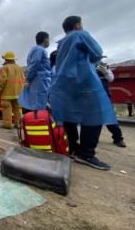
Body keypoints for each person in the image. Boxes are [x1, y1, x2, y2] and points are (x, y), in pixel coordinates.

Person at [49, 16, 117, 170]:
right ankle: (86, 153)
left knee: (68, 115)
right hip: (83, 81)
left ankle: (73, 148)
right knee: (94, 115)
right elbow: (97, 53)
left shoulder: (61, 43)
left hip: (64, 84)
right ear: (78, 25)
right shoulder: (80, 34)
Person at [19, 31, 51, 111]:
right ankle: (40, 121)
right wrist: (28, 78)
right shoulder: (39, 50)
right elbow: (35, 64)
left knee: (38, 103)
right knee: (40, 104)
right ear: (45, 39)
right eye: (48, 39)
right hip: (40, 80)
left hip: (39, 80)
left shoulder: (36, 50)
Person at [97, 63, 126, 147]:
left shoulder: (103, 67)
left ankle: (118, 139)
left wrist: (105, 71)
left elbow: (110, 79)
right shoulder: (86, 67)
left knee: (111, 120)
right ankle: (92, 140)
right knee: (94, 122)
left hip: (105, 98)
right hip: (91, 99)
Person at [0, 51, 25, 129]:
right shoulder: (20, 68)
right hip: (18, 93)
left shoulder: (4, 68)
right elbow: (23, 79)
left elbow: (2, 80)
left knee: (7, 108)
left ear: (6, 59)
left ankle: (7, 124)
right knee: (18, 108)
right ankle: (19, 124)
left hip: (7, 93)